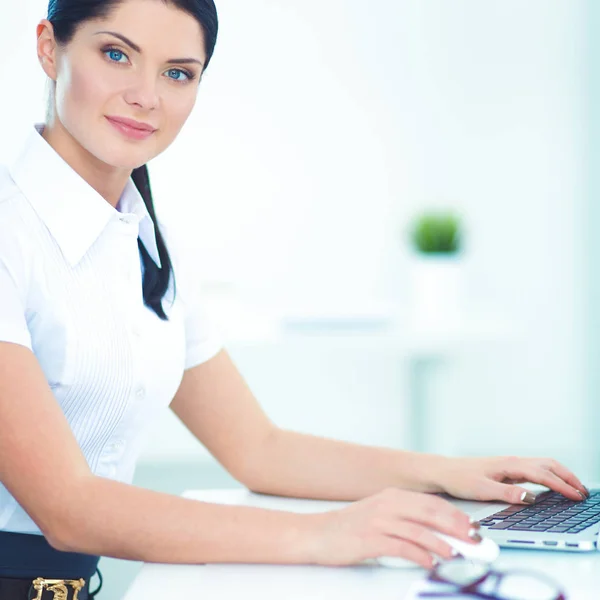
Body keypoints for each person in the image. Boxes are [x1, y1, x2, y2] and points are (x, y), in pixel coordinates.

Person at [0, 0, 588, 597]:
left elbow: (259, 449)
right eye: (116, 54)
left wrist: (447, 472)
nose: (146, 94)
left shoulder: (145, 238)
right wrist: (325, 536)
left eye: (177, 72)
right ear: (50, 48)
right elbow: (68, 507)